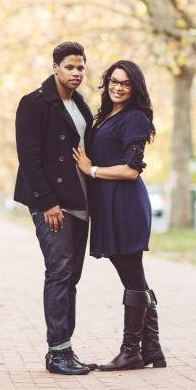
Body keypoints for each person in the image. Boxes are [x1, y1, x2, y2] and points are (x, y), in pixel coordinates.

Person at [73, 59, 166, 371]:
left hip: (125, 204)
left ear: (134, 87)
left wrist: (92, 169)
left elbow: (130, 170)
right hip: (108, 204)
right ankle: (151, 349)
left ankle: (133, 351)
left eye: (125, 83)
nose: (118, 87)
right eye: (114, 80)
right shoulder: (106, 115)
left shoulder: (135, 118)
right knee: (134, 276)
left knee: (132, 276)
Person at [14, 41, 97, 375]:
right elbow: (29, 159)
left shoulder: (81, 106)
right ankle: (57, 353)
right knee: (59, 272)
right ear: (55, 68)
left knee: (71, 277)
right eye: (70, 67)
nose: (76, 73)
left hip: (80, 203)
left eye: (81, 68)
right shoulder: (34, 104)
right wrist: (48, 203)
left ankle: (66, 349)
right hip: (52, 205)